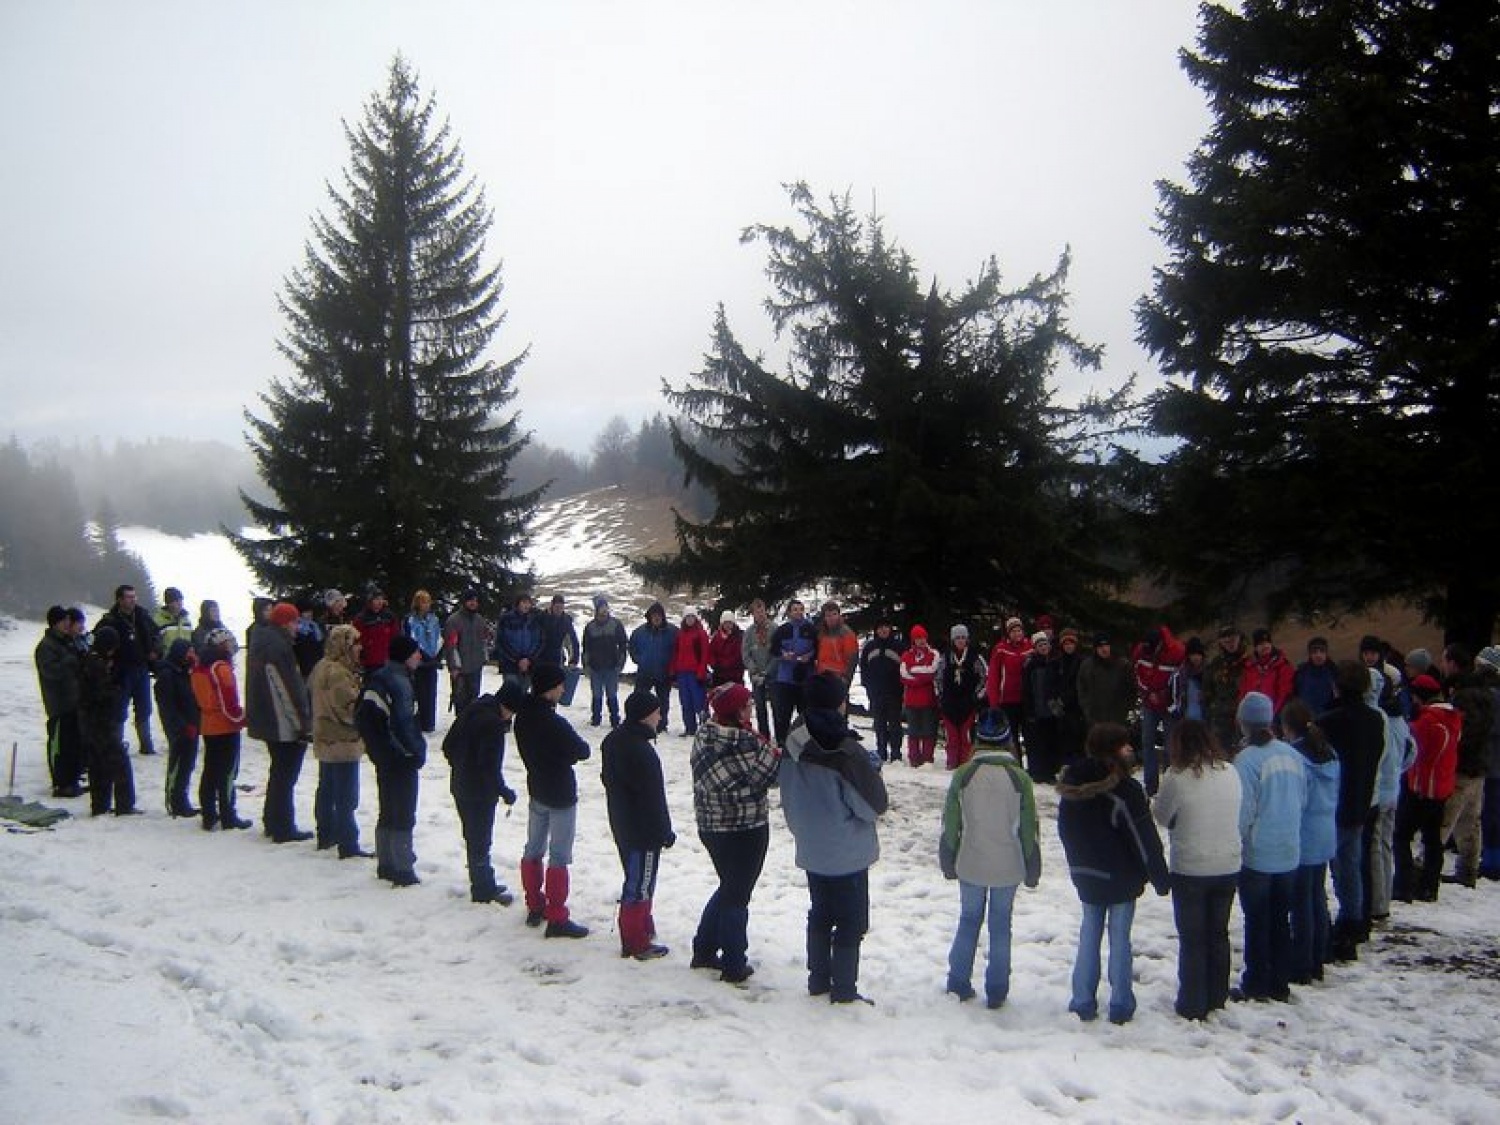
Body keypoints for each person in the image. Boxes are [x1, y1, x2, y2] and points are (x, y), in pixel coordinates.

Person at [779, 673, 888, 1004]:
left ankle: (818, 979)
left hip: (811, 844)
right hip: (847, 853)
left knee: (821, 912)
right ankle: (843, 989)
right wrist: (873, 772)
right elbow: (873, 807)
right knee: (851, 921)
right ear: (839, 703)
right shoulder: (847, 752)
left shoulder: (793, 740)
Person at [1056, 721, 1169, 1024]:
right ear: (1113, 750)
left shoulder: (1072, 785)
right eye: (1124, 745)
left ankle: (1082, 999)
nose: (1130, 749)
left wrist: (1077, 866)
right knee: (1120, 938)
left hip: (1086, 873)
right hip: (1121, 877)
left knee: (1089, 933)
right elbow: (1143, 836)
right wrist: (1158, 876)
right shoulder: (1125, 790)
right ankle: (1120, 1002)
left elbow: (1065, 830)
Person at [940, 708, 1041, 1009]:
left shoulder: (964, 773)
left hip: (971, 860)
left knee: (968, 919)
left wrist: (948, 856)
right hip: (1008, 864)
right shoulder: (1019, 778)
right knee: (1001, 924)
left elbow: (951, 821)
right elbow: (1028, 828)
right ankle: (997, 989)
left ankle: (958, 981)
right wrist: (1032, 864)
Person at [690, 682, 781, 985]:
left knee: (730, 886)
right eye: (748, 705)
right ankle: (733, 962)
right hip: (746, 828)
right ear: (737, 711)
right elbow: (770, 774)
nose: (751, 709)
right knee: (737, 895)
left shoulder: (704, 734)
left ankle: (703, 949)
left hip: (710, 827)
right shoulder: (745, 742)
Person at [1153, 719, 1242, 1020]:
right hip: (1227, 862)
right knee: (1218, 933)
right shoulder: (1230, 771)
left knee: (1192, 937)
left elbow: (1162, 816)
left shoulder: (1177, 777)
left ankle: (1192, 1001)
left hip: (1191, 866)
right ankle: (1217, 995)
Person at [1232, 691, 1306, 1002]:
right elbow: (1303, 798)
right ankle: (1279, 980)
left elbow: (1244, 809)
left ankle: (1256, 981)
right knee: (1280, 918)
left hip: (1259, 852)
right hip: (1289, 850)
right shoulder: (1291, 755)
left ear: (1243, 723)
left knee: (1257, 920)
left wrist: (1237, 840)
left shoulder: (1247, 760)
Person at [514, 663, 593, 936]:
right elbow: (581, 751)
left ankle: (534, 903)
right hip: (560, 792)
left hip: (536, 786)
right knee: (559, 855)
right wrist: (566, 756)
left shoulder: (523, 715)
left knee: (533, 848)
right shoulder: (553, 722)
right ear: (549, 689)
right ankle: (557, 915)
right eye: (559, 685)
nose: (563, 688)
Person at [1316, 659, 1386, 961]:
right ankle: (1353, 921)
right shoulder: (1376, 719)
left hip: (1332, 804)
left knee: (1326, 868)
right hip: (1362, 800)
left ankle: (1334, 926)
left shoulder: (1330, 721)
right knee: (1351, 865)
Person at [601, 689, 676, 960]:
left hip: (621, 822)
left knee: (636, 878)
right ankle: (635, 940)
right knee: (640, 883)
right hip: (642, 830)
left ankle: (642, 927)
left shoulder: (613, 741)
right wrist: (664, 831)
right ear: (646, 715)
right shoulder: (641, 750)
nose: (660, 716)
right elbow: (653, 796)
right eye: (656, 711)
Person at [443, 680, 524, 905]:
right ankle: (482, 888)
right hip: (479, 792)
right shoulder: (493, 725)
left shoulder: (473, 709)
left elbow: (447, 746)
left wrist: (460, 764)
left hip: (459, 783)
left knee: (472, 836)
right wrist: (504, 792)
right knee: (480, 840)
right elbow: (489, 766)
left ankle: (481, 881)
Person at [1279, 698, 1339, 986]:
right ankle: (1318, 956)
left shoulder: (1295, 758)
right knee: (1317, 897)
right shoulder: (1329, 753)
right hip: (1326, 831)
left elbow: (1297, 799)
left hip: (1303, 835)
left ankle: (1302, 962)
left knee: (1301, 902)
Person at [360, 634, 427, 886]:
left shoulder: (379, 677)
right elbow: (404, 724)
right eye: (415, 652)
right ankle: (402, 868)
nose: (419, 656)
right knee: (403, 812)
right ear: (405, 656)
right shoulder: (400, 682)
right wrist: (414, 752)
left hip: (383, 756)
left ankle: (386, 863)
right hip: (400, 757)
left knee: (387, 808)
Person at [246, 601, 315, 844]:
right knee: (285, 775)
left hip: (266, 717)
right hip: (280, 720)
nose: (298, 627)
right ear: (286, 623)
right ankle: (283, 826)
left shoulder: (261, 640)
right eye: (295, 622)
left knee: (278, 772)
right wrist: (303, 725)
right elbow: (287, 690)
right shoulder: (278, 648)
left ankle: (272, 821)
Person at [308, 624, 373, 859]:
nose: (360, 648)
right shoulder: (338, 673)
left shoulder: (322, 667)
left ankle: (326, 834)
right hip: (342, 740)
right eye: (356, 643)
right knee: (346, 796)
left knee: (327, 789)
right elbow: (348, 709)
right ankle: (348, 843)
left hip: (326, 738)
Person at [1394, 674, 1460, 903]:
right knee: (1433, 840)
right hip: (1441, 787)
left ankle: (1403, 884)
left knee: (1401, 835)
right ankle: (1429, 887)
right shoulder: (1452, 718)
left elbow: (1412, 752)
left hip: (1421, 787)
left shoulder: (1426, 720)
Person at [191, 628, 250, 831]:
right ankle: (228, 814)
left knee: (210, 770)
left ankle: (209, 813)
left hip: (208, 725)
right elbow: (228, 701)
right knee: (226, 772)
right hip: (224, 725)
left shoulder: (200, 667)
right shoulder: (221, 668)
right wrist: (242, 718)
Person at [78, 626, 140, 816]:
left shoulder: (91, 659)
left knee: (98, 764)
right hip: (102, 719)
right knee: (118, 762)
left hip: (91, 720)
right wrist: (117, 689)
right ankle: (124, 805)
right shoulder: (96, 664)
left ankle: (100, 805)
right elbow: (103, 693)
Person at [95, 584, 161, 755]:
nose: (133, 600)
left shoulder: (142, 615)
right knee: (119, 709)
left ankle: (146, 745)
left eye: (134, 597)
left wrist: (155, 650)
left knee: (144, 709)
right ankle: (116, 744)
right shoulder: (110, 620)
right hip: (120, 670)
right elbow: (99, 641)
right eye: (129, 597)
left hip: (141, 668)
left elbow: (156, 634)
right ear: (120, 600)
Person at [35, 606, 85, 798]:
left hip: (75, 701)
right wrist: (70, 662)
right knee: (60, 745)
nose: (67, 624)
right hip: (59, 703)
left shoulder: (68, 642)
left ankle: (72, 779)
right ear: (55, 623)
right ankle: (61, 783)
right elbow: (50, 672)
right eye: (63, 621)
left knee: (73, 744)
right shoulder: (47, 646)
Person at [1132, 624, 1186, 795]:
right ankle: (1151, 786)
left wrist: (1165, 696)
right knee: (1147, 742)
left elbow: (1180, 679)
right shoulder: (1140, 650)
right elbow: (1136, 672)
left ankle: (1171, 784)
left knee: (1171, 745)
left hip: (1169, 704)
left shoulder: (1177, 651)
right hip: (1149, 703)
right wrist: (1147, 693)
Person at [154, 638, 201, 817]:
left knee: (187, 764)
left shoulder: (185, 672)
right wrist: (180, 726)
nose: (192, 655)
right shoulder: (168, 674)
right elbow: (167, 706)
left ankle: (182, 799)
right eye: (189, 652)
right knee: (179, 764)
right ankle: (175, 801)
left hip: (191, 724)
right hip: (180, 727)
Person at [936, 623, 986, 770]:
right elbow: (937, 678)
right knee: (952, 737)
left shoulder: (975, 657)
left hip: (967, 703)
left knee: (966, 736)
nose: (960, 641)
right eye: (957, 638)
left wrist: (976, 695)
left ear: (967, 639)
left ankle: (965, 764)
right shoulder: (945, 657)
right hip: (949, 703)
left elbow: (985, 677)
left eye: (963, 638)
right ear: (952, 640)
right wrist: (941, 695)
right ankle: (952, 762)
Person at [768, 599, 817, 745]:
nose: (798, 612)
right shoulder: (783, 630)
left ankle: (805, 743)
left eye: (800, 609)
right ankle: (782, 742)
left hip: (805, 677)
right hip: (785, 678)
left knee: (805, 714)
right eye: (795, 609)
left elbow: (818, 649)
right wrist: (783, 654)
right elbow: (773, 649)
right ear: (789, 612)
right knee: (782, 714)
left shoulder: (811, 629)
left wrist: (809, 656)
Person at [858, 618, 906, 763]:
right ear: (876, 630)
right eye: (880, 628)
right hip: (876, 692)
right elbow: (864, 668)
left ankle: (896, 753)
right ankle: (881, 751)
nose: (883, 630)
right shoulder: (869, 647)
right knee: (879, 723)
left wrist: (902, 688)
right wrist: (867, 686)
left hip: (894, 692)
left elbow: (905, 669)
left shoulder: (899, 647)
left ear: (890, 629)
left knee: (895, 724)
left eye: (886, 627)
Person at [985, 617, 1032, 759]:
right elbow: (993, 677)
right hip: (1007, 700)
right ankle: (1014, 766)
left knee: (1030, 736)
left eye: (1019, 630)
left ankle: (1035, 768)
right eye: (1014, 631)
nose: (1017, 634)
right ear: (1008, 633)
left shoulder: (1030, 647)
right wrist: (993, 702)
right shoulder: (1000, 649)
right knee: (1011, 738)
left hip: (1026, 699)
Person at [1019, 631, 1063, 783]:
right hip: (1036, 709)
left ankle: (1050, 772)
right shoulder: (1030, 664)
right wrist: (1029, 709)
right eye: (1040, 645)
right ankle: (1037, 772)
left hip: (1051, 710)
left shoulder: (1055, 662)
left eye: (1045, 644)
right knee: (1037, 743)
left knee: (1051, 742)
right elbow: (1026, 689)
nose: (1043, 647)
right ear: (1035, 647)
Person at [628, 603, 678, 733]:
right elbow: (631, 646)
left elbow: (679, 649)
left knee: (663, 701)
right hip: (645, 672)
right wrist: (638, 659)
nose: (656, 618)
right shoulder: (639, 632)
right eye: (653, 615)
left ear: (663, 617)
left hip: (664, 672)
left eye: (659, 616)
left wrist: (673, 667)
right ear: (649, 617)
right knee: (639, 698)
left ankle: (661, 725)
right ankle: (638, 722)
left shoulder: (672, 631)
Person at [581, 595, 629, 728]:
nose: (603, 611)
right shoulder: (590, 627)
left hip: (612, 666)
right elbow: (585, 648)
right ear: (596, 610)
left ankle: (615, 719)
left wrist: (620, 663)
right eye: (601, 608)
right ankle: (596, 719)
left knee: (612, 694)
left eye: (605, 608)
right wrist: (586, 665)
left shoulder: (616, 624)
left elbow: (623, 645)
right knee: (596, 695)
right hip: (595, 667)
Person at [444, 587, 493, 715]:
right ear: (464, 602)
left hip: (476, 666)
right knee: (460, 700)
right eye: (470, 600)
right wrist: (454, 666)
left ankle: (471, 726)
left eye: (475, 601)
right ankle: (461, 728)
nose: (473, 603)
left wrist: (484, 657)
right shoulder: (454, 621)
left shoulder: (480, 620)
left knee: (474, 699)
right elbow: (451, 646)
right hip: (460, 668)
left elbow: (484, 640)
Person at [1204, 625, 1250, 752]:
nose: (1230, 644)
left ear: (1239, 639)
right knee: (1221, 754)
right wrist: (1213, 707)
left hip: (1244, 716)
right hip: (1220, 718)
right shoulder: (1216, 664)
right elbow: (1207, 690)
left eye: (1233, 639)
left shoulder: (1250, 662)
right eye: (1226, 641)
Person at [1076, 634, 1135, 733]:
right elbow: (1081, 687)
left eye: (1106, 645)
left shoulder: (1122, 665)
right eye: (1100, 646)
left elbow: (1132, 689)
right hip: (1094, 718)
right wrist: (1086, 708)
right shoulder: (1087, 666)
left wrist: (1126, 709)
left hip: (1117, 717)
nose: (1104, 649)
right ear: (1095, 649)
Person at [403, 590, 444, 733]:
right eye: (423, 602)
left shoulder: (434, 620)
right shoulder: (410, 620)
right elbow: (411, 640)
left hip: (432, 660)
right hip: (418, 661)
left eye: (428, 602)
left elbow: (439, 638)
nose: (426, 605)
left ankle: (429, 722)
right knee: (419, 693)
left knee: (431, 692)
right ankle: (419, 721)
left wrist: (437, 656)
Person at [899, 625, 940, 766]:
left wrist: (914, 671)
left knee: (928, 731)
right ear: (913, 640)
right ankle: (914, 758)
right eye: (917, 638)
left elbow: (932, 671)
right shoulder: (906, 655)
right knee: (913, 732)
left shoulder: (933, 654)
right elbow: (904, 675)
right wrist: (921, 676)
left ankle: (927, 758)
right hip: (911, 701)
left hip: (928, 700)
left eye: (922, 637)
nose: (920, 641)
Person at [1239, 628, 1295, 724]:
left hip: (1274, 718)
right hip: (1252, 719)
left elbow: (1284, 694)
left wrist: (1272, 716)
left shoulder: (1282, 665)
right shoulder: (1249, 667)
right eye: (1261, 644)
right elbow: (1243, 693)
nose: (1265, 646)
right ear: (1255, 647)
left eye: (1267, 642)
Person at [670, 609, 711, 737]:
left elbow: (704, 655)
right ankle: (690, 728)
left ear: (695, 618)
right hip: (682, 673)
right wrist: (673, 670)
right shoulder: (680, 634)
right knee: (686, 702)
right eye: (687, 617)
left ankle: (706, 728)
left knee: (699, 702)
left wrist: (701, 672)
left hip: (695, 673)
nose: (690, 620)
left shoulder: (701, 634)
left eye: (692, 617)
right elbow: (676, 653)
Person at [741, 599, 776, 739]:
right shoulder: (749, 633)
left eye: (762, 611)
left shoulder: (774, 628)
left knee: (776, 708)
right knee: (760, 708)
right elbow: (745, 654)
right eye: (757, 611)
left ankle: (779, 736)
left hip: (772, 675)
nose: (760, 614)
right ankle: (764, 736)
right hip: (756, 676)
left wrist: (767, 671)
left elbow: (777, 653)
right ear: (753, 614)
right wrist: (753, 669)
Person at [1053, 627, 1089, 767]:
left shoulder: (1082, 661)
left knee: (1080, 742)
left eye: (1071, 643)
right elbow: (1053, 684)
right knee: (1065, 743)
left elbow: (1083, 685)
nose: (1068, 646)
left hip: (1078, 708)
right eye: (1066, 644)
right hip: (1062, 709)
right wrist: (1055, 702)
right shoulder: (1057, 662)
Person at [494, 593, 544, 689]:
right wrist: (517, 659)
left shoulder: (535, 620)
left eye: (528, 603)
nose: (526, 605)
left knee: (523, 694)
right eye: (524, 602)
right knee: (511, 693)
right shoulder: (506, 619)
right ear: (518, 604)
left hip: (529, 664)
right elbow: (501, 643)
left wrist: (529, 659)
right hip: (510, 665)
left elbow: (540, 641)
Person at [353, 586, 400, 674]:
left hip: (387, 662)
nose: (379, 602)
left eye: (381, 599)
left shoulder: (389, 616)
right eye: (376, 599)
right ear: (369, 601)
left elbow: (395, 638)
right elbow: (357, 641)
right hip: (369, 664)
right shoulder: (361, 619)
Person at [814, 601, 859, 683]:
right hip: (822, 675)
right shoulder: (822, 633)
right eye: (828, 615)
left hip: (839, 677)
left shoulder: (846, 633)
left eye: (834, 614)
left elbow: (852, 659)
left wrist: (846, 678)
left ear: (839, 615)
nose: (831, 618)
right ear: (824, 617)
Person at [1292, 637, 1338, 717]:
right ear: (1310, 654)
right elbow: (1296, 698)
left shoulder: (1334, 673)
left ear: (1326, 653)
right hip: (1307, 720)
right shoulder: (1301, 674)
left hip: (1329, 719)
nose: (1318, 655)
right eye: (1314, 652)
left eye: (1322, 651)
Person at [539, 594, 581, 669]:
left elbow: (572, 642)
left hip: (558, 661)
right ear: (552, 605)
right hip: (540, 660)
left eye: (561, 607)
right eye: (557, 607)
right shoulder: (542, 618)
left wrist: (573, 661)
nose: (559, 610)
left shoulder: (566, 621)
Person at [707, 613, 746, 688]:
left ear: (733, 623)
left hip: (735, 675)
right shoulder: (717, 637)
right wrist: (714, 665)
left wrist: (731, 665)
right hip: (719, 675)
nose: (728, 625)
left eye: (730, 622)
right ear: (722, 623)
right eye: (725, 622)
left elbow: (741, 654)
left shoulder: (739, 636)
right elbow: (711, 653)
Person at [291, 595, 326, 680]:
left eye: (310, 611)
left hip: (320, 667)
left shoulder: (315, 626)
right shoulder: (296, 630)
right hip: (306, 671)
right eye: (306, 612)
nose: (310, 614)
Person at [152, 586, 194, 657]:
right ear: (169, 603)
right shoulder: (158, 620)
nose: (180, 603)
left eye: (181, 600)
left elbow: (191, 640)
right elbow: (155, 643)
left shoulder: (186, 620)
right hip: (167, 661)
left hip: (186, 660)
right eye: (176, 601)